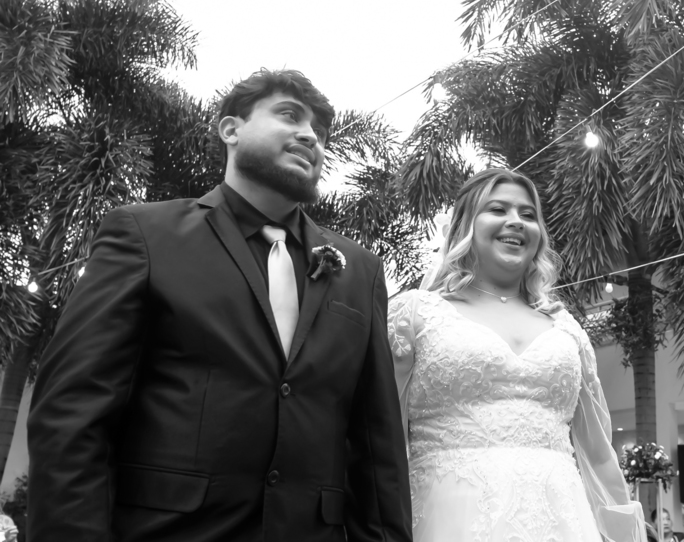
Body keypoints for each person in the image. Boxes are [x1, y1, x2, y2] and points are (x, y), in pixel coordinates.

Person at [27, 69, 412, 542]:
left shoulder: (360, 271)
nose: (310, 135)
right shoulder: (146, 236)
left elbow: (376, 447)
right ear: (231, 130)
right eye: (289, 115)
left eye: (319, 130)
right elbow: (74, 411)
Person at [388, 168, 646, 541]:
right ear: (465, 225)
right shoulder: (414, 314)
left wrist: (626, 534)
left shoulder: (566, 328)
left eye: (528, 215)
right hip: (449, 518)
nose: (516, 222)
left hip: (563, 520)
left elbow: (598, 452)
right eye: (498, 209)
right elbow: (386, 438)